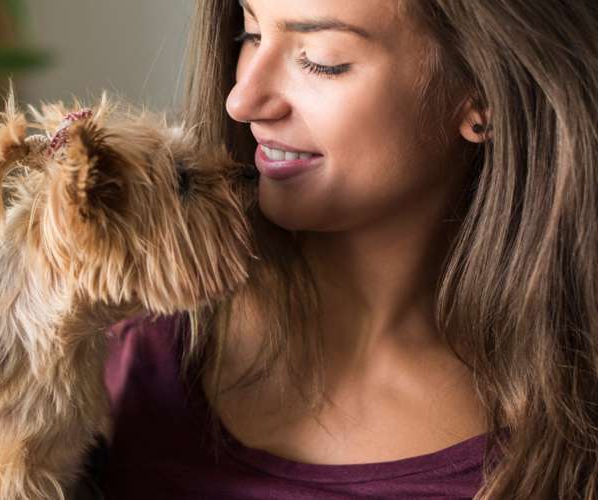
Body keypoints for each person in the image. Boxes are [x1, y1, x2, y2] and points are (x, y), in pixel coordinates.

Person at [88, 1, 598, 498]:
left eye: (321, 59)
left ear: (482, 92)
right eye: (250, 34)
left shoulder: (571, 431)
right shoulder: (122, 346)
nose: (241, 100)